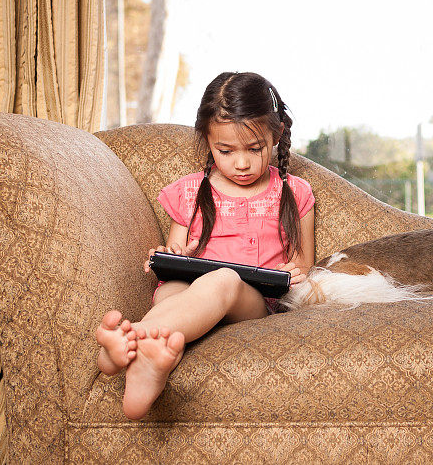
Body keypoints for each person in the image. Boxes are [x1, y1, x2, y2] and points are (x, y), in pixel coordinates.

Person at [95, 72, 315, 420]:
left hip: (252, 301)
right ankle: (144, 360)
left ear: (277, 135)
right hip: (189, 292)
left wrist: (292, 272)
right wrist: (172, 257)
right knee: (170, 294)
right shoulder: (189, 191)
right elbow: (175, 255)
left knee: (223, 280)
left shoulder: (295, 192)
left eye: (255, 149)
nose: (241, 163)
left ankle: (125, 345)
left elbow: (304, 266)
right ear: (207, 141)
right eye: (225, 151)